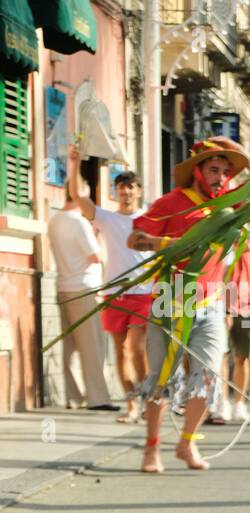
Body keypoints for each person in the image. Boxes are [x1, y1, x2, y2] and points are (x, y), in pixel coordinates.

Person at [129, 137, 250, 472]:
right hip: (170, 300)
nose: (221, 177)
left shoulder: (227, 206)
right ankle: (152, 449)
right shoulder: (171, 202)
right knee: (160, 381)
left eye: (226, 171)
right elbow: (134, 238)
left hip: (211, 302)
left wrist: (240, 149)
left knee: (207, 380)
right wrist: (172, 243)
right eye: (214, 169)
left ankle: (187, 443)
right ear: (197, 170)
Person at [67, 145, 146, 422]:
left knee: (135, 348)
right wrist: (74, 163)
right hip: (115, 295)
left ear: (138, 191)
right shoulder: (107, 219)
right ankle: (133, 404)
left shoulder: (150, 219)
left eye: (130, 187)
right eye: (121, 188)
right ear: (116, 192)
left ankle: (148, 395)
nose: (125, 192)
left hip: (144, 294)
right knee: (120, 353)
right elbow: (78, 196)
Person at [48, 198, 116, 413]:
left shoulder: (54, 220)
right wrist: (101, 238)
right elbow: (96, 256)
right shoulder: (79, 222)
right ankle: (97, 398)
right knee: (92, 347)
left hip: (63, 287)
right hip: (84, 289)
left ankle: (73, 397)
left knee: (69, 346)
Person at [218, 226, 250, 425]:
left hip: (246, 305)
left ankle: (239, 403)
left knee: (242, 357)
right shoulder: (219, 240)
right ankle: (222, 403)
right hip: (219, 304)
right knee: (221, 356)